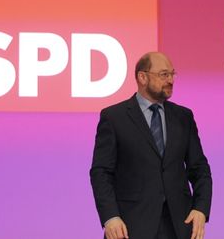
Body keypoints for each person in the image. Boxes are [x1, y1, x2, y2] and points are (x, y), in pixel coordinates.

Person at [90, 52, 212, 239]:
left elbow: (200, 168)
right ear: (142, 77)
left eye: (172, 74)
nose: (170, 80)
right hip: (130, 227)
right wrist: (110, 217)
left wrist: (200, 209)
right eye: (164, 74)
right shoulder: (114, 117)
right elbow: (101, 172)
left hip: (179, 226)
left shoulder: (184, 117)